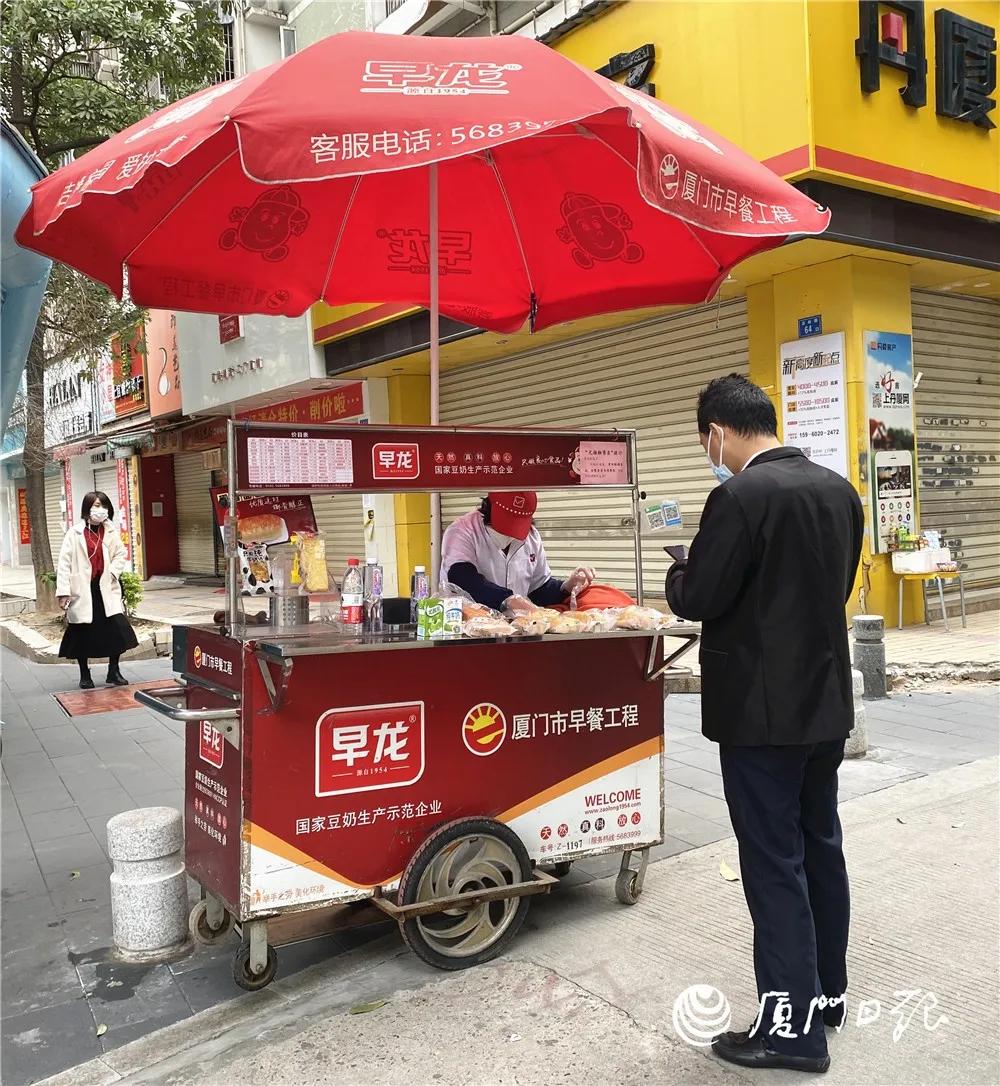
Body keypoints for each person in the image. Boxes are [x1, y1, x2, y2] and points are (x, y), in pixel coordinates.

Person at [665, 375, 864, 1074]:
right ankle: (826, 996)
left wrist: (679, 573)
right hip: (824, 707)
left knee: (773, 865)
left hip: (760, 718)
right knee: (819, 848)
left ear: (716, 431)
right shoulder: (840, 491)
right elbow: (827, 590)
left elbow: (700, 596)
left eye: (704, 443)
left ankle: (790, 1029)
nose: (708, 454)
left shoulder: (738, 496)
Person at [441, 491, 594, 611]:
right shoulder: (462, 531)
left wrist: (566, 586)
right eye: (506, 523)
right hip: (466, 629)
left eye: (517, 525)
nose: (510, 533)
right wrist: (509, 600)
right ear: (489, 507)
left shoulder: (532, 536)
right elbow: (462, 579)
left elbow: (538, 589)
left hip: (515, 631)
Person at [57, 491, 138, 689]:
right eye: (95, 505)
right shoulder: (74, 533)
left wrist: (112, 573)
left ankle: (114, 671)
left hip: (105, 588)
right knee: (82, 634)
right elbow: (64, 563)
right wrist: (63, 591)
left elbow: (121, 554)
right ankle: (85, 675)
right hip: (83, 590)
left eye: (103, 505)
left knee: (116, 630)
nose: (99, 510)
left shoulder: (110, 531)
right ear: (86, 509)